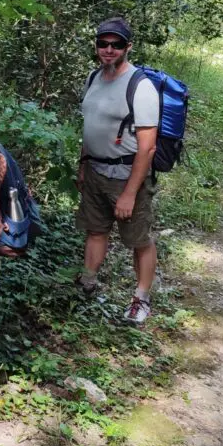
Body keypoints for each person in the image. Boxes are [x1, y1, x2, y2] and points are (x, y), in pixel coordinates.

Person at [76, 17, 159, 323]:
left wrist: (129, 193)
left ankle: (140, 300)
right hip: (95, 172)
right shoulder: (93, 79)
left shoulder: (141, 87)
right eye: (103, 43)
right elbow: (89, 128)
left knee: (138, 240)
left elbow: (147, 147)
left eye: (116, 44)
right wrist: (83, 165)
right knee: (96, 230)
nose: (109, 50)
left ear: (128, 47)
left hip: (126, 176)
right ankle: (87, 282)